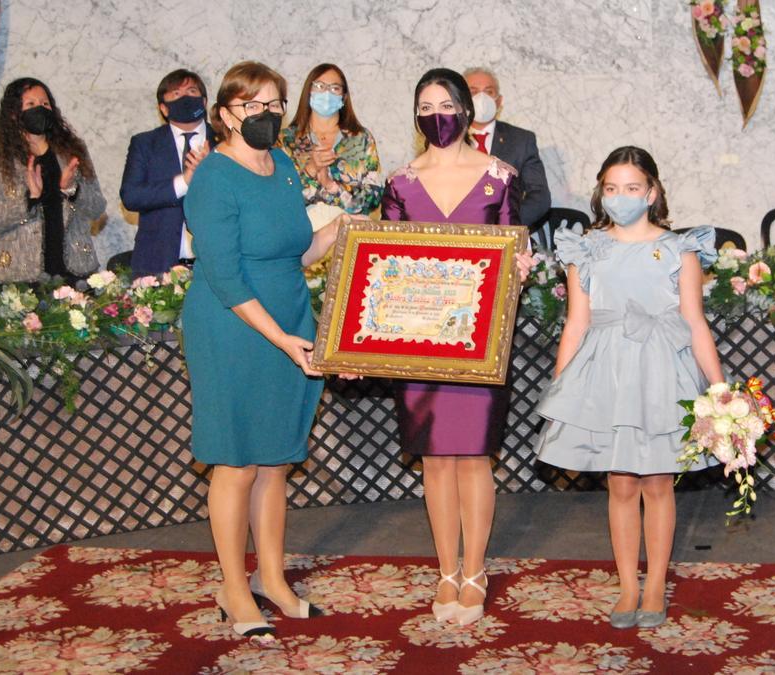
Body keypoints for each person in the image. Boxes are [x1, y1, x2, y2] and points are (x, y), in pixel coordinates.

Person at [182, 61, 350, 642]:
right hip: (234, 326)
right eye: (252, 105)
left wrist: (342, 234)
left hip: (288, 315)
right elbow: (226, 277)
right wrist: (281, 339)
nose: (266, 114)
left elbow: (290, 253)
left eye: (275, 104)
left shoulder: (281, 164)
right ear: (225, 112)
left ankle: (272, 579)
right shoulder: (213, 178)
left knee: (275, 460)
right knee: (236, 461)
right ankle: (233, 586)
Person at [534, 146, 724, 630]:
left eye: (632, 188)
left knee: (659, 482)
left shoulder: (680, 249)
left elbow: (695, 322)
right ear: (601, 192)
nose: (621, 197)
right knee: (619, 484)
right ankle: (627, 587)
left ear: (652, 192)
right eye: (612, 189)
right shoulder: (585, 247)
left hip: (662, 372)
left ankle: (656, 583)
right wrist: (562, 391)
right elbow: (575, 324)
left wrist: (720, 389)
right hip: (607, 375)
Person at [381, 67, 532, 627]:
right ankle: (445, 570)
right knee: (434, 461)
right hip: (420, 342)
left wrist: (520, 267)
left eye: (446, 102)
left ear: (468, 109)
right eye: (425, 104)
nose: (436, 113)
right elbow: (388, 260)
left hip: (478, 342)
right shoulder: (400, 181)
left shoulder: (499, 176)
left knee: (473, 459)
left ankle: (475, 570)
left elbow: (516, 246)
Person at [0, 78, 104, 284]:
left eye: (45, 104)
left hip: (75, 270)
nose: (40, 109)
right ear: (13, 113)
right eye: (31, 104)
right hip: (21, 275)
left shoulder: (73, 150)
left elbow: (98, 208)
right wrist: (30, 199)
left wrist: (72, 189)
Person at [120, 69, 215, 276]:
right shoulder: (145, 144)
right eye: (176, 94)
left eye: (192, 91)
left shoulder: (226, 142)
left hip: (216, 264)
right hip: (158, 262)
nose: (186, 98)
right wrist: (185, 182)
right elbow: (131, 196)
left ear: (204, 101)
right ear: (163, 108)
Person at [281, 63, 382, 227]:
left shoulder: (361, 138)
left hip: (350, 232)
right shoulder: (286, 140)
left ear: (344, 97)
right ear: (309, 92)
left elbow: (373, 197)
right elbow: (279, 197)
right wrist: (311, 170)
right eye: (320, 86)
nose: (326, 93)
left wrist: (332, 187)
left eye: (335, 88)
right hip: (300, 235)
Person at [463, 67, 551, 228]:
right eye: (473, 91)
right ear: (460, 99)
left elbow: (540, 196)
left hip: (507, 236)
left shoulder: (521, 140)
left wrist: (508, 224)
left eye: (488, 92)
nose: (481, 98)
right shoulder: (447, 141)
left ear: (499, 101)